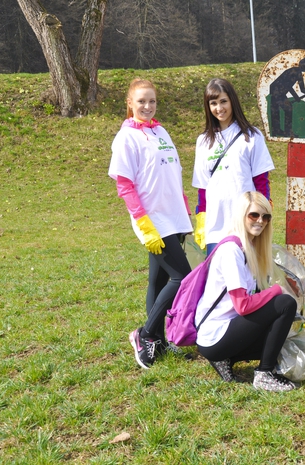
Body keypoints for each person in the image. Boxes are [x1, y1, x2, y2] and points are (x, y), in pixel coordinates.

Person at [108, 78, 193, 369]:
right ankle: (144, 335)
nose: (147, 106)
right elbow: (125, 184)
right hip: (153, 219)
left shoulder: (160, 131)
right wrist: (143, 223)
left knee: (158, 281)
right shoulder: (126, 138)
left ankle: (158, 340)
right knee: (182, 277)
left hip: (174, 217)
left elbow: (173, 174)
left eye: (152, 101)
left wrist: (184, 209)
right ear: (130, 102)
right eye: (141, 101)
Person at [196, 192, 298, 392]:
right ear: (241, 215)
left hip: (225, 330)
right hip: (214, 336)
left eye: (265, 217)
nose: (260, 221)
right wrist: (278, 290)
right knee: (285, 304)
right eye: (254, 215)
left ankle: (226, 359)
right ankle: (264, 375)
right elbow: (243, 306)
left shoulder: (248, 247)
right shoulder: (231, 251)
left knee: (280, 339)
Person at [193, 78, 275, 256]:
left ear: (232, 101)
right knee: (218, 280)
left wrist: (260, 214)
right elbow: (202, 187)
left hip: (246, 222)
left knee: (248, 279)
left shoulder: (252, 136)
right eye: (213, 103)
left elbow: (261, 181)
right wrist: (202, 218)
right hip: (215, 225)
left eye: (223, 101)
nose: (219, 108)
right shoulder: (203, 141)